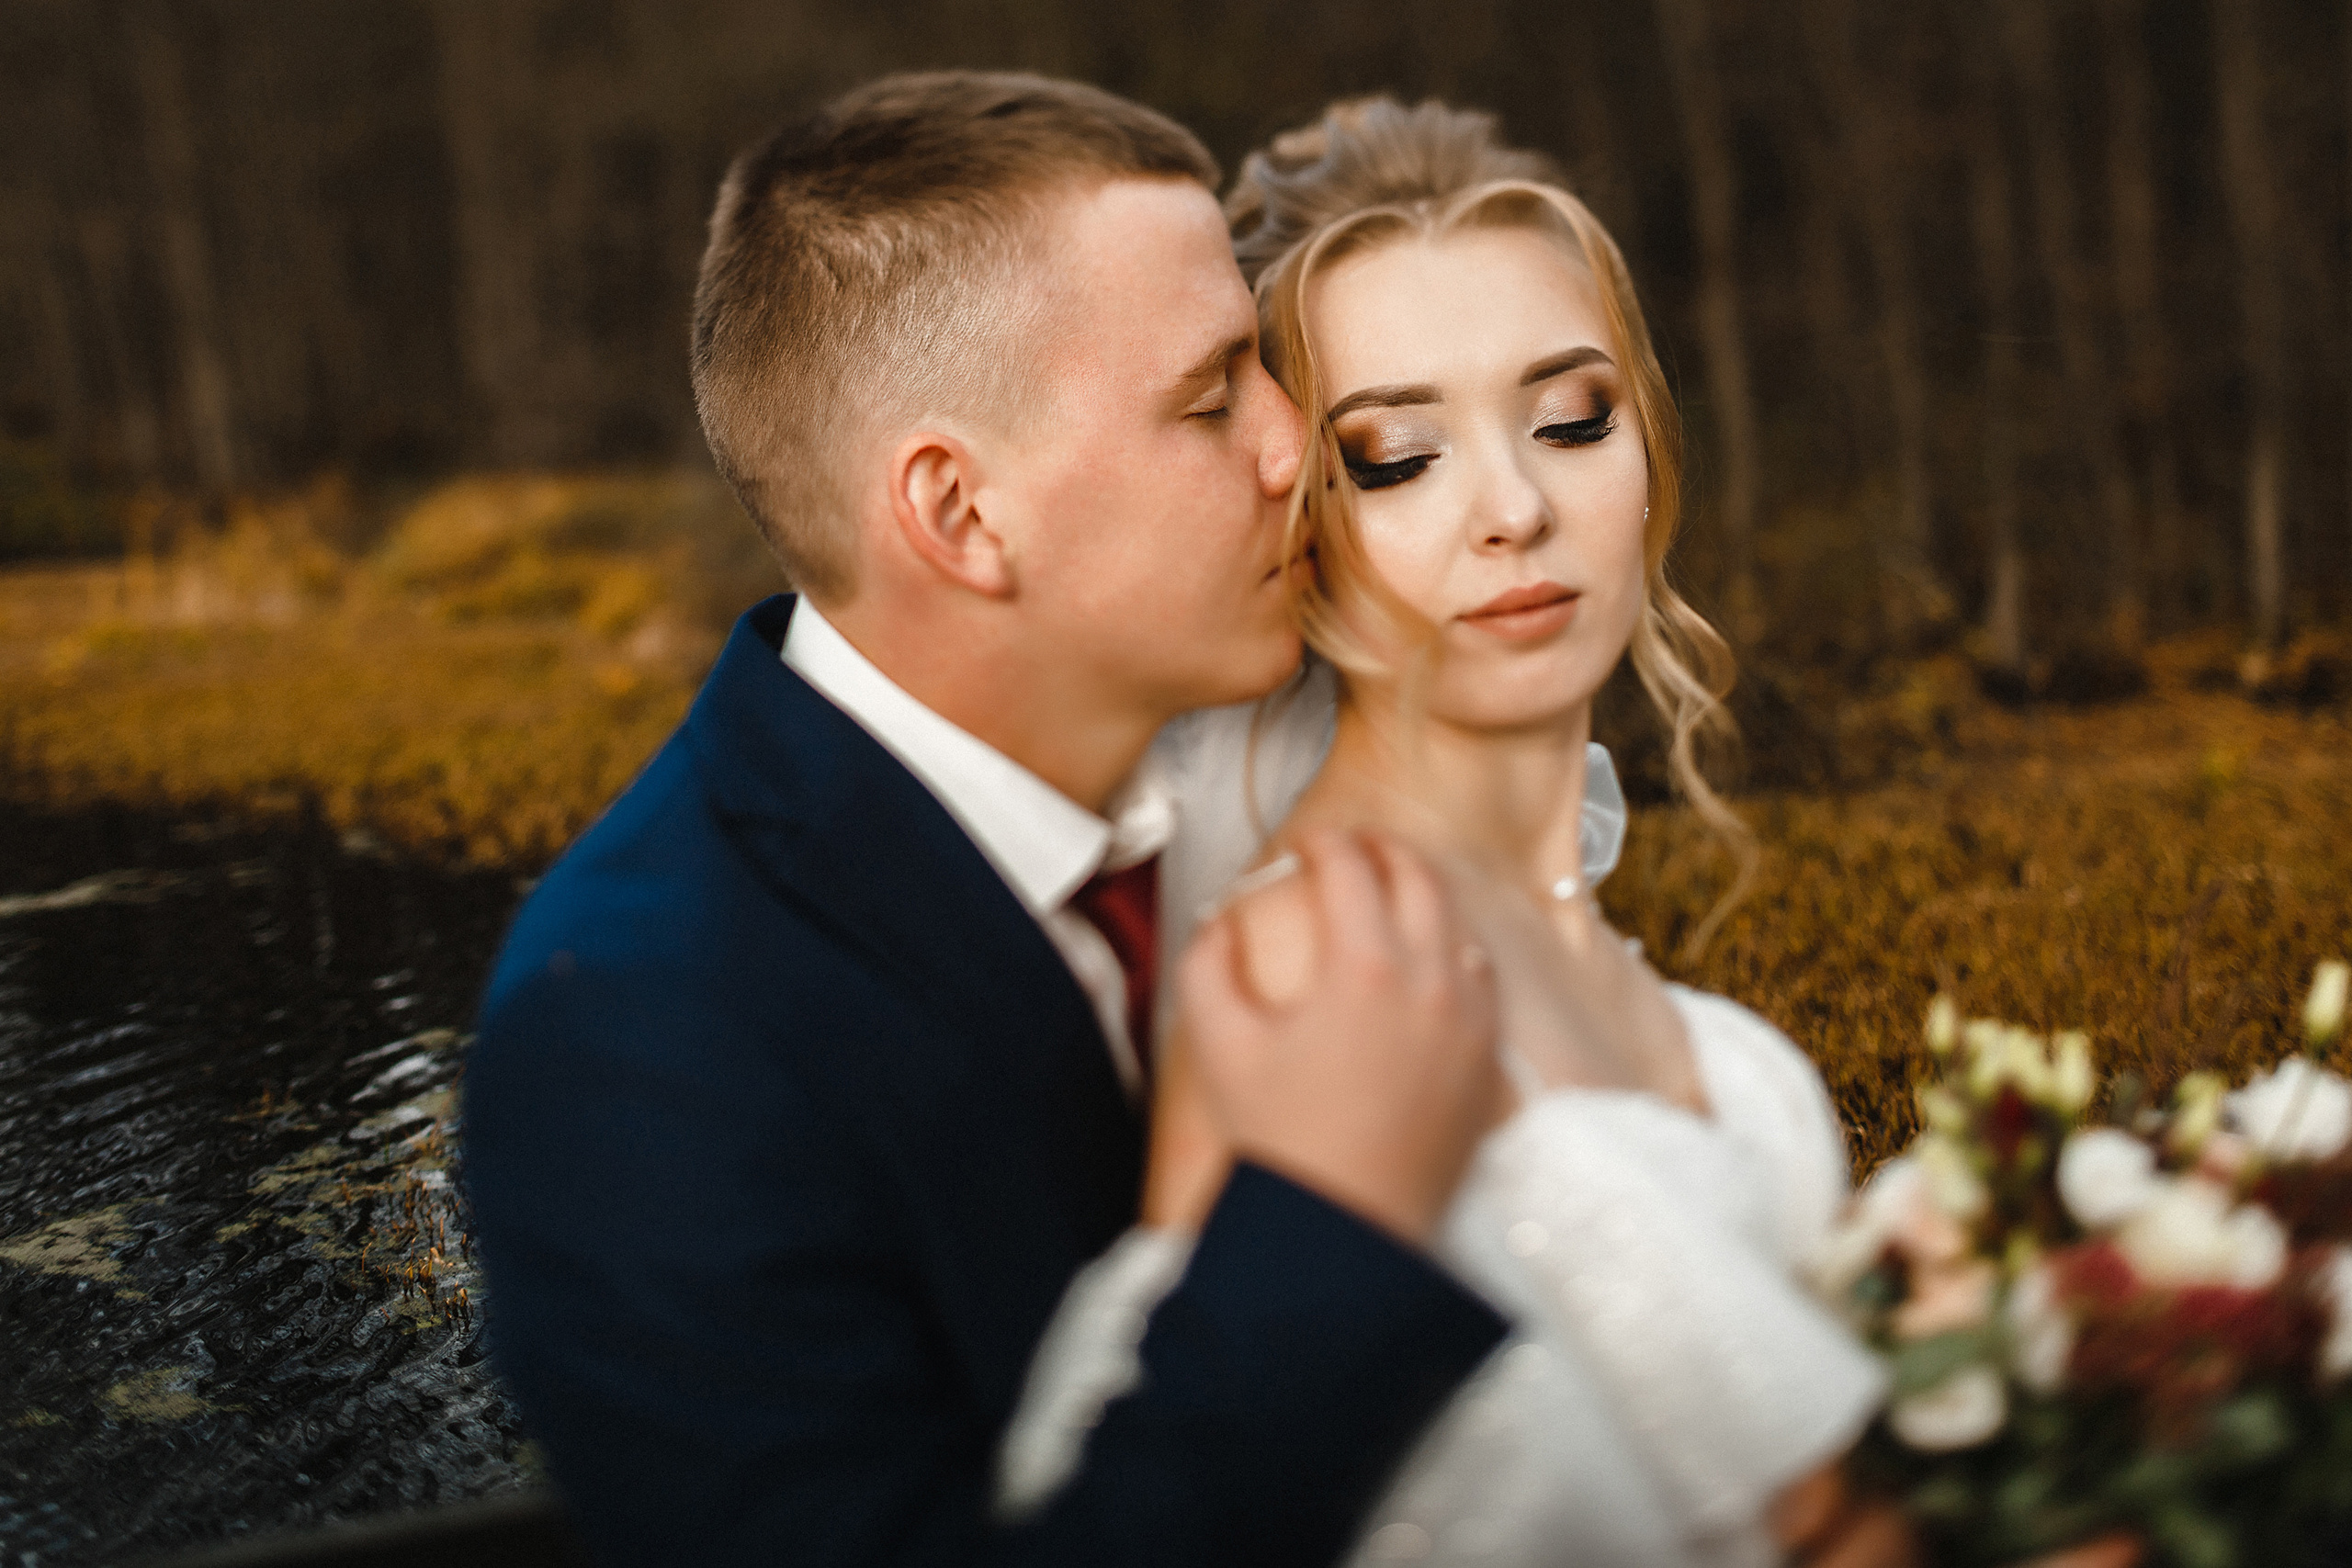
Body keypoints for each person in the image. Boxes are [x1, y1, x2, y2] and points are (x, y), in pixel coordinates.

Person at [460, 73, 1518, 1568]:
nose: (1297, 447)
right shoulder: (641, 1040)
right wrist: (1331, 1219)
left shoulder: (1287, 775)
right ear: (961, 514)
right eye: (1214, 397)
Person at [994, 97, 1899, 1568]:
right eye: (1399, 455)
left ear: (1649, 447)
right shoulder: (1309, 970)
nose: (1516, 509)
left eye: (1570, 420)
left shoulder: (1605, 962)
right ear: (1295, 514)